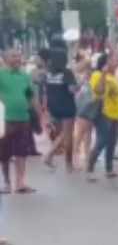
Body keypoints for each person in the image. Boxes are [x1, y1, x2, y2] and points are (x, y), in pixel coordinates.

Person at [0, 49, 41, 193]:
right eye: (13, 56)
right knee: (4, 153)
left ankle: (20, 183)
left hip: (23, 119)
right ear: (5, 58)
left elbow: (30, 96)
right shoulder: (1, 74)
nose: (17, 58)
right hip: (5, 120)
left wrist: (37, 114)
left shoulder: (24, 75)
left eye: (18, 55)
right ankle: (6, 183)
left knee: (21, 152)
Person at [86, 53, 118, 181]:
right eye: (115, 60)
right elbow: (99, 91)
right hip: (103, 113)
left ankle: (109, 169)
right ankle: (90, 169)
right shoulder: (97, 75)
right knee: (102, 141)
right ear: (106, 62)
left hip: (115, 114)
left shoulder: (113, 76)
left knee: (112, 142)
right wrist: (103, 74)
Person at [41, 41, 78, 172]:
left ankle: (51, 156)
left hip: (54, 106)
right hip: (67, 106)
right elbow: (72, 90)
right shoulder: (67, 73)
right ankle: (67, 164)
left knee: (62, 133)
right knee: (68, 135)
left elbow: (45, 90)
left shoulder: (48, 73)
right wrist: (80, 83)